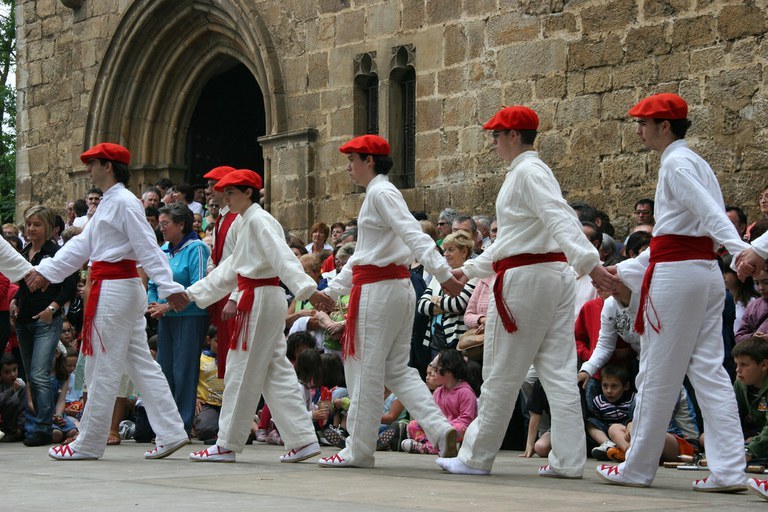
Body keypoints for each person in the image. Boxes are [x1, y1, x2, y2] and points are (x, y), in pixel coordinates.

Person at [436, 105, 617, 478]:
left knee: (502, 371)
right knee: (558, 374)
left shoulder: (528, 172)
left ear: (514, 136)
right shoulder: (529, 172)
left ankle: (475, 457)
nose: (494, 143)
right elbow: (518, 239)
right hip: (548, 276)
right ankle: (567, 461)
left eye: (497, 136)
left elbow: (558, 217)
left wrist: (590, 264)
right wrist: (469, 269)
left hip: (529, 281)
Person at [597, 93, 750, 492]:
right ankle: (730, 470)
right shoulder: (694, 161)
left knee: (656, 374)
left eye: (644, 123)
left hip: (680, 277)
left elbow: (708, 216)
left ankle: (638, 466)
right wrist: (625, 269)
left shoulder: (678, 164)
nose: (639, 130)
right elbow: (675, 238)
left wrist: (741, 253)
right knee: (710, 372)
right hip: (701, 274)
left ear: (665, 126)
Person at [26, 142, 190, 461]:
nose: (88, 168)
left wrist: (169, 287)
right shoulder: (110, 203)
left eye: (93, 163)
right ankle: (171, 432)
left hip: (115, 289)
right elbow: (81, 247)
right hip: (117, 287)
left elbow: (146, 245)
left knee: (101, 366)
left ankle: (89, 441)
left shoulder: (124, 202)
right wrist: (45, 271)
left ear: (109, 166)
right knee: (141, 364)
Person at [318, 134, 465, 468]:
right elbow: (362, 255)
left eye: (351, 160)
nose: (347, 168)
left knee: (365, 371)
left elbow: (413, 232)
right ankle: (441, 430)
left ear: (369, 160)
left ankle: (358, 449)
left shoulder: (381, 192)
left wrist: (442, 273)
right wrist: (332, 290)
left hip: (380, 291)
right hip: (393, 287)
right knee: (396, 369)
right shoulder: (379, 193)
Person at [184, 169, 334, 463]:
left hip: (260, 300)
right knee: (274, 373)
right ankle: (303, 439)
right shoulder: (245, 221)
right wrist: (192, 294)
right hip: (260, 298)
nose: (224, 198)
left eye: (230, 193)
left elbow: (283, 256)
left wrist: (308, 289)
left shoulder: (259, 220)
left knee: (241, 371)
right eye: (223, 193)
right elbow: (231, 269)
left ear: (248, 193)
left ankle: (226, 443)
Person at [10, 206, 77, 447]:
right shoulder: (26, 251)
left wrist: (52, 309)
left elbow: (70, 286)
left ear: (48, 227)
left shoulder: (56, 253)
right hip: (24, 320)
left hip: (45, 321)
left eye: (37, 224)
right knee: (31, 376)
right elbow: (23, 286)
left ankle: (42, 427)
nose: (31, 229)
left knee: (39, 374)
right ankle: (37, 425)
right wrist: (15, 301)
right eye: (28, 224)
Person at [147, 203, 211, 434]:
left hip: (189, 316)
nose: (161, 228)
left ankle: (181, 425)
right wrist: (152, 303)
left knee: (184, 370)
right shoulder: (163, 249)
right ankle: (166, 423)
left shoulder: (196, 248)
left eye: (165, 224)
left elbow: (198, 286)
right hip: (166, 316)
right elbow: (153, 281)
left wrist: (167, 307)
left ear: (181, 225)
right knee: (165, 369)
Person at [401, 350, 478, 455]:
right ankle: (434, 445)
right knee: (413, 425)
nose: (432, 374)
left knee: (457, 429)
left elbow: (467, 420)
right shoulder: (438, 391)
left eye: (436, 370)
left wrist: (447, 426)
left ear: (448, 371)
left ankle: (429, 447)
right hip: (440, 427)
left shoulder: (465, 392)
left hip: (456, 429)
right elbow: (432, 413)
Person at [203, 165, 239, 378]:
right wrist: (210, 270)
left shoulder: (238, 219)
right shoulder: (221, 219)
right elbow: (215, 254)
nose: (208, 190)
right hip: (220, 289)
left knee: (233, 350)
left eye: (211, 185)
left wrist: (234, 297)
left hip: (231, 293)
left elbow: (240, 261)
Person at [586, 365, 635, 461]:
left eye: (614, 386)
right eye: (605, 386)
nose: (609, 391)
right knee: (589, 422)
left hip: (625, 434)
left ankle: (621, 450)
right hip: (607, 433)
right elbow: (598, 421)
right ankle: (608, 445)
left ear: (625, 386)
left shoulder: (633, 399)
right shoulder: (599, 401)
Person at [732, 336, 768, 463]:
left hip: (764, 435)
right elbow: (733, 417)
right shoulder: (740, 384)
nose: (738, 370)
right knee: (706, 438)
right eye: (736, 364)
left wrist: (749, 450)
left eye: (744, 364)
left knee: (753, 443)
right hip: (757, 434)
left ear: (764, 365)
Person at [193, 325, 224, 443]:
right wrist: (194, 398)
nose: (221, 345)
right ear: (208, 340)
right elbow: (190, 382)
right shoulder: (200, 358)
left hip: (226, 404)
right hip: (205, 404)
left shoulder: (231, 358)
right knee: (207, 430)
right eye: (217, 341)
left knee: (243, 435)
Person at [734, 263, 768, 343]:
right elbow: (739, 336)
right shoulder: (754, 306)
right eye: (756, 283)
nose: (761, 288)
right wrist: (752, 337)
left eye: (766, 282)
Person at [0, 352, 26, 442]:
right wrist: (11, 390)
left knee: (14, 401)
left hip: (13, 425)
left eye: (15, 369)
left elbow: (23, 409)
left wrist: (20, 427)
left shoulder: (21, 385)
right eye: (7, 372)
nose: (13, 374)